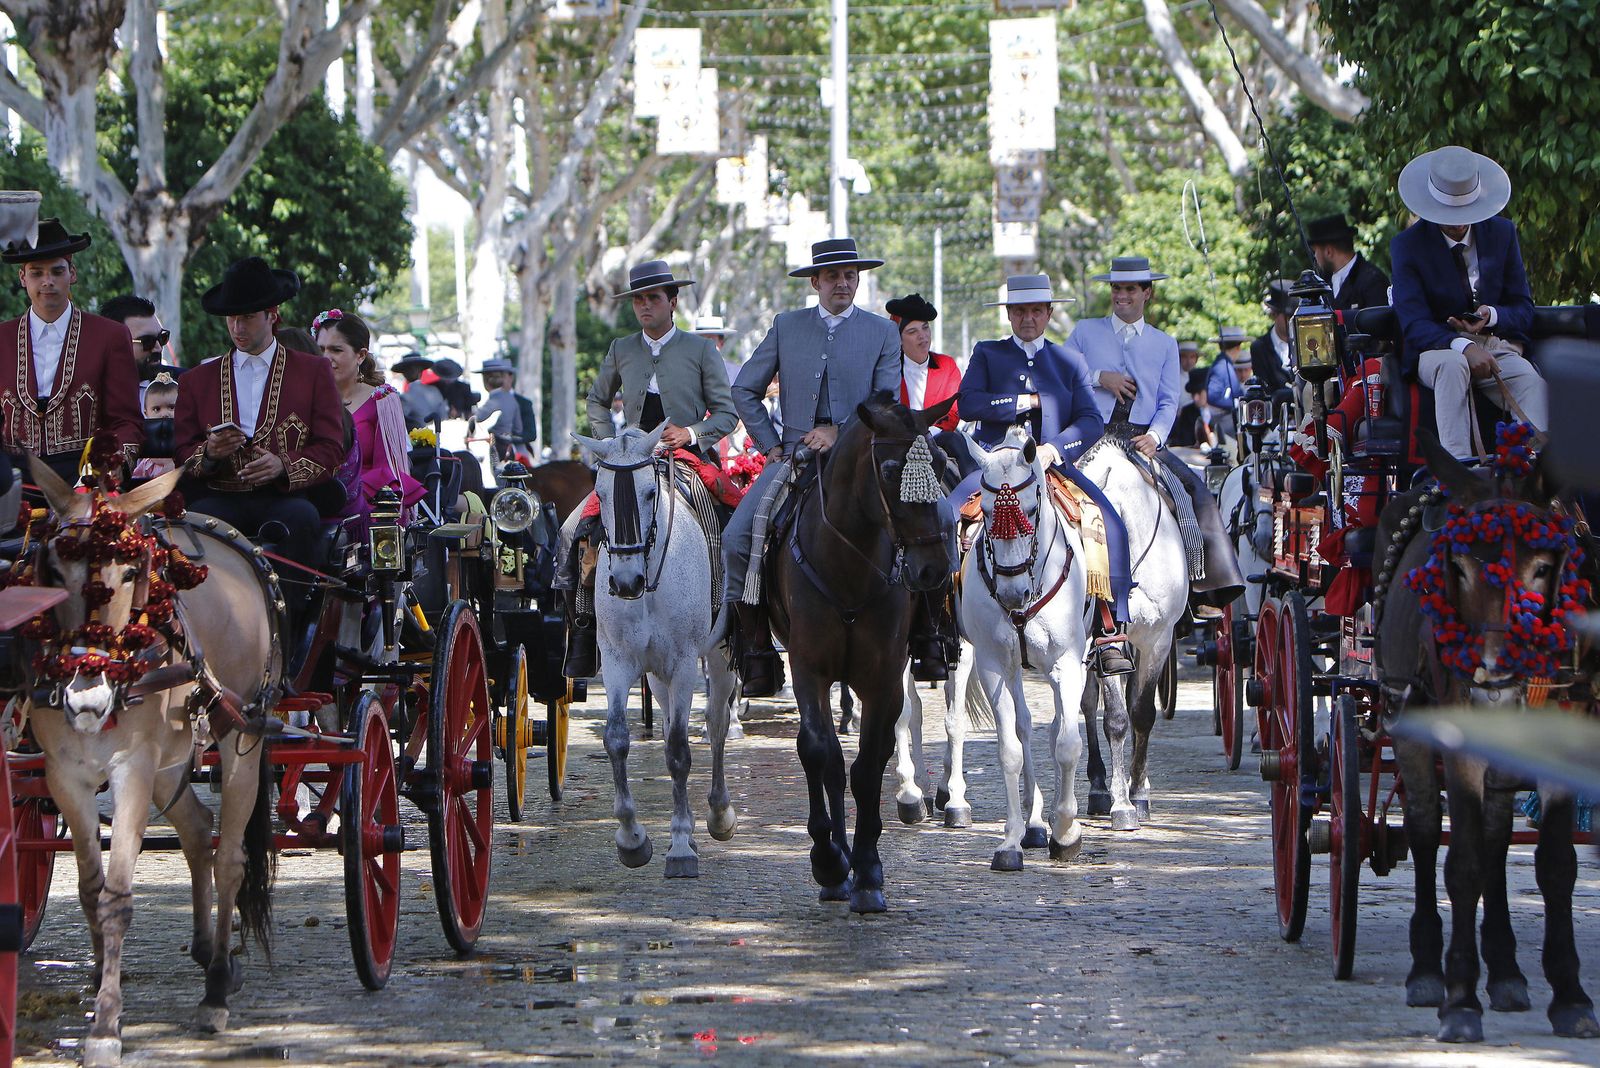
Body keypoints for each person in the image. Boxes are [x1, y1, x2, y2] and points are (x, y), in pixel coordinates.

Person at [723, 238, 901, 697]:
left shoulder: (883, 333)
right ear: (816, 282)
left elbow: (885, 401)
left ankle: (928, 637)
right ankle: (759, 649)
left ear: (858, 280)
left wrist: (840, 433)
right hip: (795, 461)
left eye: (850, 275)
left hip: (861, 459)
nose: (842, 283)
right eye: (833, 276)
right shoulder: (786, 326)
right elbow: (744, 390)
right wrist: (772, 445)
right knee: (737, 537)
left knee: (928, 520)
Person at [558, 259, 739, 679]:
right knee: (571, 530)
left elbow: (726, 414)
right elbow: (596, 401)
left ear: (672, 301)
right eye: (638, 299)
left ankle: (739, 625)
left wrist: (691, 433)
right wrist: (610, 446)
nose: (645, 306)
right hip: (628, 464)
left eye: (653, 298)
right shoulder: (621, 348)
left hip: (687, 460)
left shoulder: (700, 350)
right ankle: (584, 632)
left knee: (732, 526)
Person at [951, 273, 1133, 673]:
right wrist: (1020, 401)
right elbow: (967, 404)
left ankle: (1108, 628)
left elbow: (1089, 421)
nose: (1028, 318)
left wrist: (1055, 448)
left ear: (1049, 313)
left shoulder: (1068, 360)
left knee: (1107, 522)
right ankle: (944, 626)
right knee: (946, 516)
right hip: (997, 470)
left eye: (1036, 310)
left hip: (1052, 467)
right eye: (1019, 311)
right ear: (1009, 315)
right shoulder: (987, 353)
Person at [1066, 256, 1245, 614]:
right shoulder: (1086, 331)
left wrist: (1157, 437)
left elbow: (1168, 402)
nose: (1122, 296)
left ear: (1147, 292)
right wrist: (1102, 376)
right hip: (1092, 436)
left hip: (1140, 439)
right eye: (1117, 288)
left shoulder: (1164, 343)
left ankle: (1201, 586)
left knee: (1193, 491)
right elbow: (1064, 370)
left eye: (1131, 289)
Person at [174, 257, 346, 608]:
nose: (238, 327)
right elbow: (182, 450)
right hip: (220, 497)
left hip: (286, 499)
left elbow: (331, 447)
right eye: (232, 318)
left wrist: (283, 465)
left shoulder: (312, 371)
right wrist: (209, 454)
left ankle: (289, 624)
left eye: (248, 317)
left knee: (301, 519)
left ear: (273, 314)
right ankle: (210, 622)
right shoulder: (197, 380)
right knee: (196, 525)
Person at [1390, 145, 1542, 459]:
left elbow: (1523, 308)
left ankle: (1537, 476)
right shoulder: (1407, 246)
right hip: (1436, 349)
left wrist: (1492, 316)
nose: (1458, 223)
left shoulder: (1502, 233)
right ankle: (1457, 473)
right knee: (1452, 365)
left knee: (1530, 380)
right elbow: (1414, 324)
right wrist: (1462, 345)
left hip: (1493, 344)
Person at [0, 217, 143, 483]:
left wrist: (112, 466)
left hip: (84, 473)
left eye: (57, 271)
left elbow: (126, 421)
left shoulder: (109, 336)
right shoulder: (2, 338)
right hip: (13, 477)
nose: (47, 281)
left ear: (72, 274)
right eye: (36, 272)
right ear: (22, 277)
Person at [313, 308, 424, 538]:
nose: (326, 358)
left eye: (336, 350)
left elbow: (389, 470)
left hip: (367, 507)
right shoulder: (305, 399)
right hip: (314, 505)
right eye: (320, 349)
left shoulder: (382, 400)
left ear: (361, 355)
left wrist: (345, 493)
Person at [886, 292, 962, 471]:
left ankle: (972, 494)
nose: (923, 336)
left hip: (940, 440)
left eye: (925, 328)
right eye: (912, 331)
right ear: (898, 339)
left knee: (958, 443)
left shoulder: (947, 365)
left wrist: (928, 434)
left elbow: (953, 411)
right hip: (899, 442)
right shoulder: (888, 370)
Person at [99, 294, 184, 397]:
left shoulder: (184, 385)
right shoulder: (90, 389)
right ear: (114, 344)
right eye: (147, 341)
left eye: (162, 338)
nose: (158, 348)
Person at [1306, 213, 1391, 312]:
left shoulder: (1372, 281)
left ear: (1329, 252)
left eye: (1315, 251)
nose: (1315, 256)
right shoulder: (1322, 285)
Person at [473, 357, 527, 464]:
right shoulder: (512, 400)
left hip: (494, 451)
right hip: (509, 449)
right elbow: (518, 429)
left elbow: (476, 420)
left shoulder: (494, 401)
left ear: (486, 380)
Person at [1205, 326, 1254, 439]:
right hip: (1224, 422)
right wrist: (1236, 403)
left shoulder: (1225, 365)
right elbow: (1212, 396)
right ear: (1237, 347)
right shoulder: (1221, 367)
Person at [1250, 280, 1296, 393]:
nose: (1292, 321)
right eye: (1288, 316)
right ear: (1274, 314)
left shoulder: (1304, 343)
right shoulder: (1260, 348)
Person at [131, 372, 179, 480]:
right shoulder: (144, 443)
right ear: (146, 412)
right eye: (157, 409)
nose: (164, 414)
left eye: (171, 407)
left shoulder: (186, 435)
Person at [394, 351, 449, 429]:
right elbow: (444, 417)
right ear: (421, 372)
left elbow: (399, 426)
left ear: (404, 374)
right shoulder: (435, 391)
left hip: (416, 439)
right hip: (436, 437)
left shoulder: (405, 398)